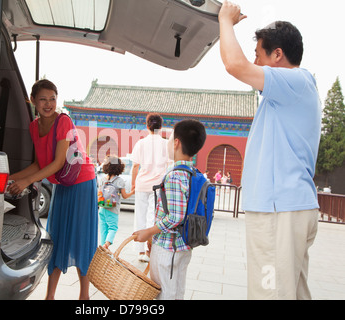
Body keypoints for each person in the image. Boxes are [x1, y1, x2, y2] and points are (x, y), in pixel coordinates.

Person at [219, 1, 322, 299]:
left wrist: (225, 20)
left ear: (278, 54)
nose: (253, 60)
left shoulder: (296, 81)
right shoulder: (288, 92)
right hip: (288, 208)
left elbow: (234, 65)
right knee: (291, 292)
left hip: (279, 209)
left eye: (258, 54)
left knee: (269, 293)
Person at [7, 79, 98, 300]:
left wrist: (27, 182)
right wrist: (9, 178)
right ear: (33, 101)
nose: (48, 104)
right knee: (57, 236)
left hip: (82, 183)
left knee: (80, 238)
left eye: (52, 99)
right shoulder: (33, 126)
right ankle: (50, 296)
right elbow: (40, 163)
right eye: (43, 99)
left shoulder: (63, 122)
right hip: (62, 185)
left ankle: (84, 296)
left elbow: (57, 163)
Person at [133, 119, 207, 300]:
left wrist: (148, 232)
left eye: (170, 138)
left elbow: (175, 216)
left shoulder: (175, 176)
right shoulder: (194, 174)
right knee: (175, 292)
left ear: (176, 143)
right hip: (182, 246)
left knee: (165, 294)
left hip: (168, 249)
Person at [130, 113, 171, 262]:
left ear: (147, 126)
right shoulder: (166, 144)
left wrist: (134, 183)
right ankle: (149, 250)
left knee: (139, 215)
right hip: (158, 186)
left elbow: (135, 165)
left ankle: (140, 251)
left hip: (142, 184)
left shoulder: (141, 143)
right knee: (153, 217)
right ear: (161, 127)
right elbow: (169, 166)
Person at [98, 156, 135, 249]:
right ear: (119, 167)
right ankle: (107, 244)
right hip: (113, 209)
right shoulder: (119, 181)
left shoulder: (102, 179)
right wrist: (133, 192)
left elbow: (99, 193)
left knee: (103, 230)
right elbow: (125, 196)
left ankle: (103, 248)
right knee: (113, 228)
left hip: (102, 208)